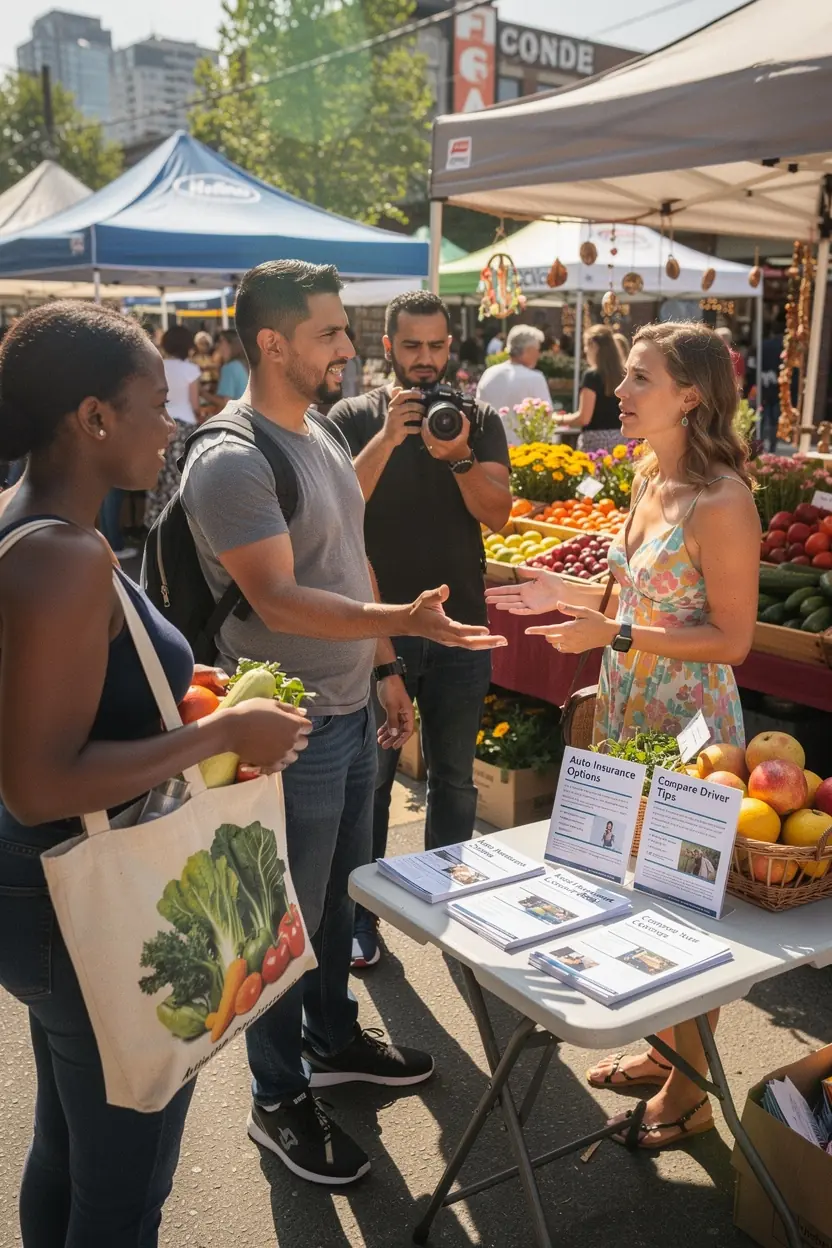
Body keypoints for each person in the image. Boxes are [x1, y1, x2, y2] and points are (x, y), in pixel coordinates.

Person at [180, 260, 506, 1187]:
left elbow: (345, 544)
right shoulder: (232, 455)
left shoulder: (319, 431)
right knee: (282, 919)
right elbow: (280, 600)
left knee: (331, 903)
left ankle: (332, 1042)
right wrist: (401, 624)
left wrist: (381, 669)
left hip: (346, 706)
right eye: (330, 332)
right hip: (287, 726)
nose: (349, 348)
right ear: (273, 342)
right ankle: (278, 1098)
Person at [0, 301, 310, 1247]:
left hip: (40, 893)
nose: (172, 421)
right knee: (124, 1191)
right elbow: (38, 779)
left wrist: (180, 688)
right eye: (153, 403)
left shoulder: (27, 524)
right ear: (94, 419)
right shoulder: (68, 554)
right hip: (79, 894)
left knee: (68, 1146)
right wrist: (226, 732)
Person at [487, 321, 759, 1149]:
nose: (620, 392)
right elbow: (619, 597)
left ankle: (692, 1086)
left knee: (687, 899)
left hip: (692, 727)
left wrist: (619, 639)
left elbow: (733, 643)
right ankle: (663, 1048)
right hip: (630, 705)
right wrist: (562, 600)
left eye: (640, 379)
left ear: (691, 396)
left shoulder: (725, 502)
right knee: (635, 889)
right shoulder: (645, 477)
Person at [329, 290, 512, 968]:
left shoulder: (480, 420)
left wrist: (458, 456)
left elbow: (500, 517)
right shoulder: (352, 417)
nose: (426, 361)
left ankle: (444, 903)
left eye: (437, 347)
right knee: (370, 780)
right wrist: (388, 437)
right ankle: (363, 920)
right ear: (390, 349)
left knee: (456, 779)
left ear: (451, 349)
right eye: (413, 347)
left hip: (460, 628)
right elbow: (334, 508)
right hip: (379, 628)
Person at [143, 325, 201, 528]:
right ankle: (179, 524)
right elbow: (194, 404)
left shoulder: (156, 366)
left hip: (159, 422)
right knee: (181, 477)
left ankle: (155, 522)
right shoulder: (191, 370)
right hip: (184, 425)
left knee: (158, 475)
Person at [553, 323, 625, 451]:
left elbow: (584, 418)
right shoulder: (624, 374)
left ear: (594, 346)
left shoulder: (592, 376)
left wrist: (557, 419)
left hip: (597, 443)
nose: (585, 350)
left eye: (586, 345)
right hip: (622, 441)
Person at [476, 324, 551, 445]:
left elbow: (478, 414)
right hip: (523, 451)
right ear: (528, 350)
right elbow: (546, 417)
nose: (538, 354)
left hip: (489, 449)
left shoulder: (489, 373)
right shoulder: (535, 378)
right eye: (537, 350)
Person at [203, 329, 249, 416]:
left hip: (236, 418)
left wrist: (202, 393)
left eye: (221, 341)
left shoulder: (229, 367)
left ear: (230, 344)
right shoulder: (243, 364)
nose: (217, 345)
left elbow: (226, 403)